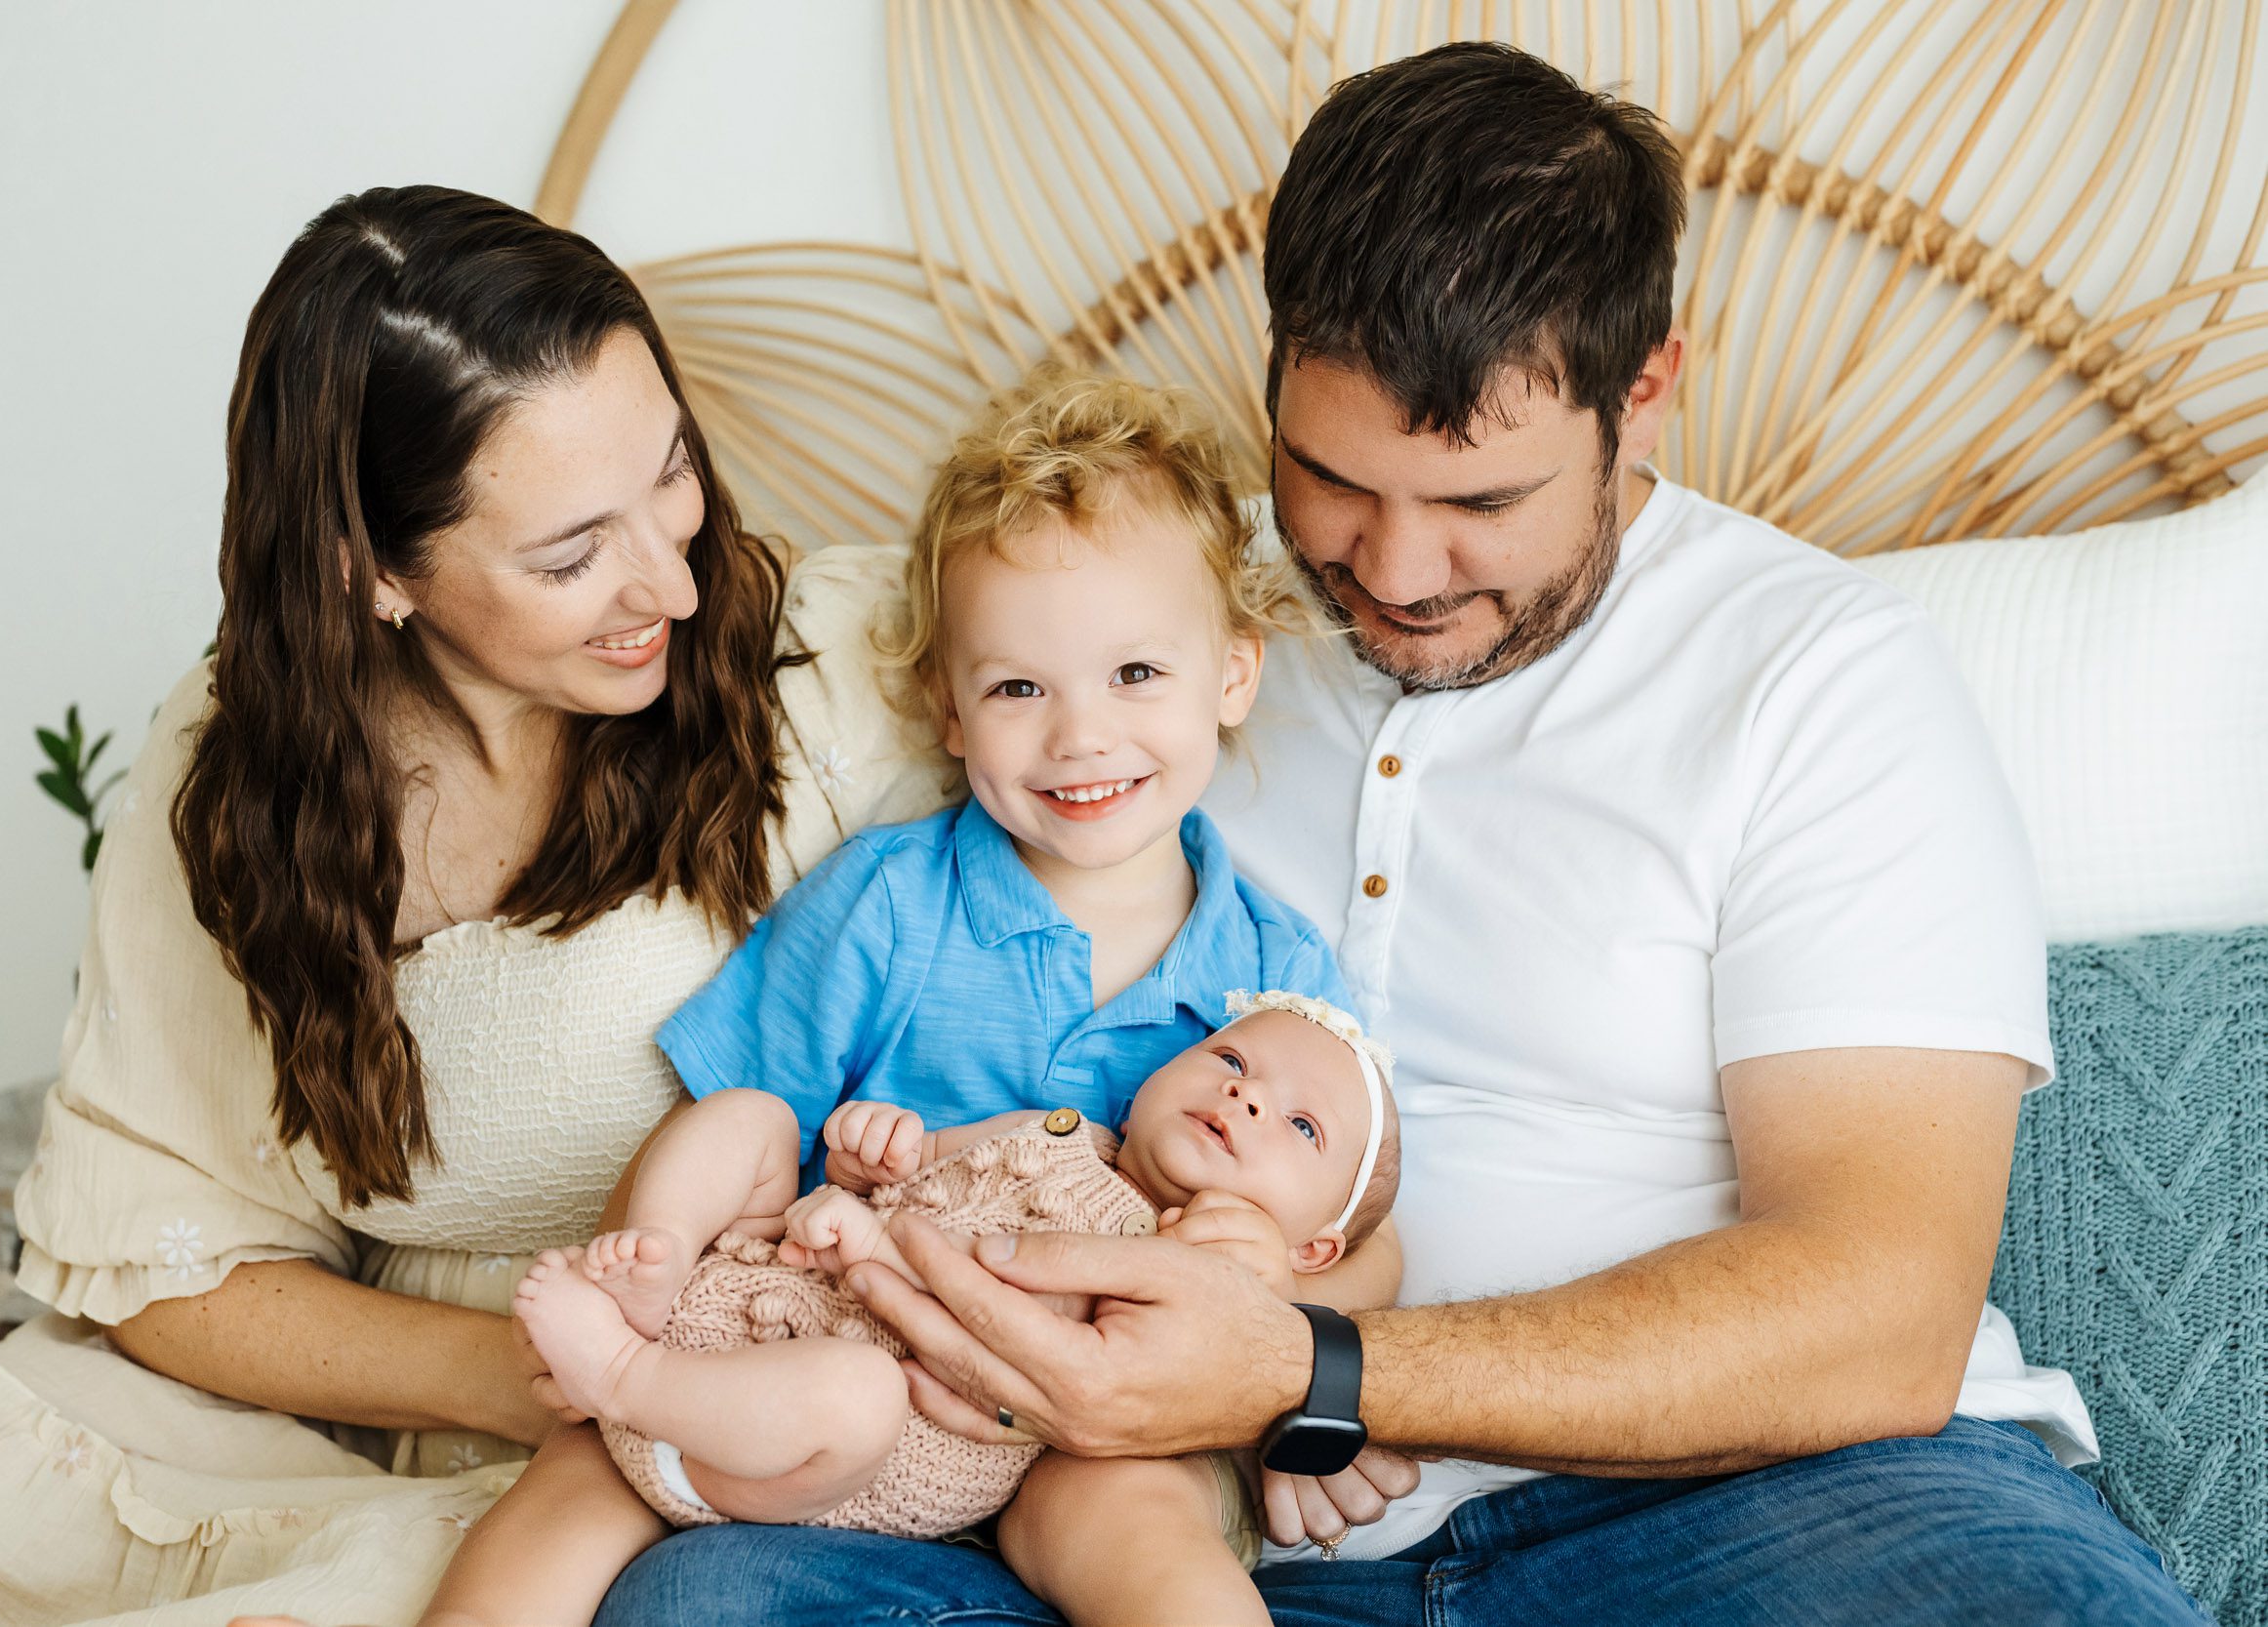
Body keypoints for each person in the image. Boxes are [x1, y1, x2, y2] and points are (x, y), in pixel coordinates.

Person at [601, 43, 2210, 1627]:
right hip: (1189, 1529)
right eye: (1331, 479)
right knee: (708, 1601)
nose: (1397, 569)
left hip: (1761, 1500)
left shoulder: (1820, 676)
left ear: (1643, 392)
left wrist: (1321, 1369)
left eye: (1484, 504)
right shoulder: (1156, 632)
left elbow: (1878, 1311)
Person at [0, 185, 945, 1625]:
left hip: (687, 1457)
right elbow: (167, 1263)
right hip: (385, 1415)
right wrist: (517, 1365)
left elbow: (1160, 637)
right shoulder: (248, 766)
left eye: (674, 468)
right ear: (375, 570)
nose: (670, 574)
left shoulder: (840, 676)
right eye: (568, 553)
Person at [413, 366, 1401, 1627]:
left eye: (1138, 672)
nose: (1080, 736)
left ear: (1234, 675)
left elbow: (1359, 1218)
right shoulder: (887, 902)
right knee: (602, 1453)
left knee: (1136, 1518)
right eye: (1019, 688)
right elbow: (742, 1122)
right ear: (948, 704)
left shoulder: (1274, 979)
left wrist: (1291, 1305)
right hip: (823, 1356)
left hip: (1076, 1426)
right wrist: (662, 1250)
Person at [425, 995, 1397, 1627]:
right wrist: (877, 1149)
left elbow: (1022, 1349)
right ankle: (654, 1260)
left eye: (1301, 1124)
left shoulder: (1184, 1268)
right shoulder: (1057, 1125)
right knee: (750, 1115)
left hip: (817, 1443)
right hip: (759, 1295)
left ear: (1314, 1248)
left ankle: (624, 1369)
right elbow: (923, 1163)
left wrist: (1257, 1282)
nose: (1247, 1096)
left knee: (854, 1390)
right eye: (1230, 1059)